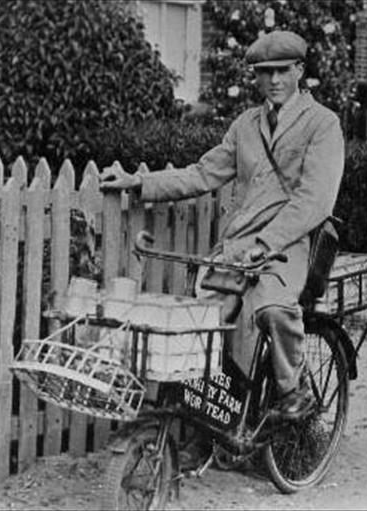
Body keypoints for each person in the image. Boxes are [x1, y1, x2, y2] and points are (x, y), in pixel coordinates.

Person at [100, 30, 345, 421]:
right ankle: (216, 423)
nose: (274, 80)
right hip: (234, 250)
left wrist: (267, 243)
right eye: (265, 72)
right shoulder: (246, 125)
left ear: (300, 70)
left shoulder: (322, 124)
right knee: (205, 328)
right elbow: (203, 174)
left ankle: (292, 389)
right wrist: (141, 183)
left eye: (283, 70)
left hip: (287, 248)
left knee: (273, 310)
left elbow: (314, 201)